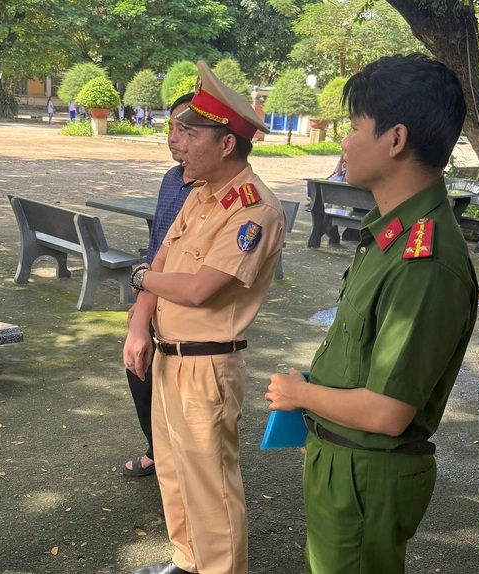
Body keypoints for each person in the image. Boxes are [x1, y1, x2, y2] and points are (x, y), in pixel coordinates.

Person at [265, 53, 479, 573]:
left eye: (354, 127)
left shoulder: (425, 261)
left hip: (365, 475)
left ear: (396, 139)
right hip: (344, 460)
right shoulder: (389, 236)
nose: (344, 141)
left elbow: (388, 412)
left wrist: (300, 395)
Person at [125, 61, 284, 574]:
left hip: (207, 366)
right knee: (174, 473)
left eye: (190, 133)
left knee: (211, 489)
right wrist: (138, 323)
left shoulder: (253, 210)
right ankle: (186, 562)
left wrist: (139, 279)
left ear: (226, 144)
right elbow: (163, 258)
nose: (178, 142)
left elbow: (196, 288)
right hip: (168, 357)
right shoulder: (199, 195)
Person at [122, 93, 196, 479]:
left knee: (182, 393)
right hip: (153, 296)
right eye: (170, 127)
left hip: (185, 310)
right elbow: (158, 247)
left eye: (184, 130)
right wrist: (142, 304)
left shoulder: (216, 194)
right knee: (140, 374)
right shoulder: (171, 180)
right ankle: (157, 448)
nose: (173, 137)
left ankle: (180, 460)